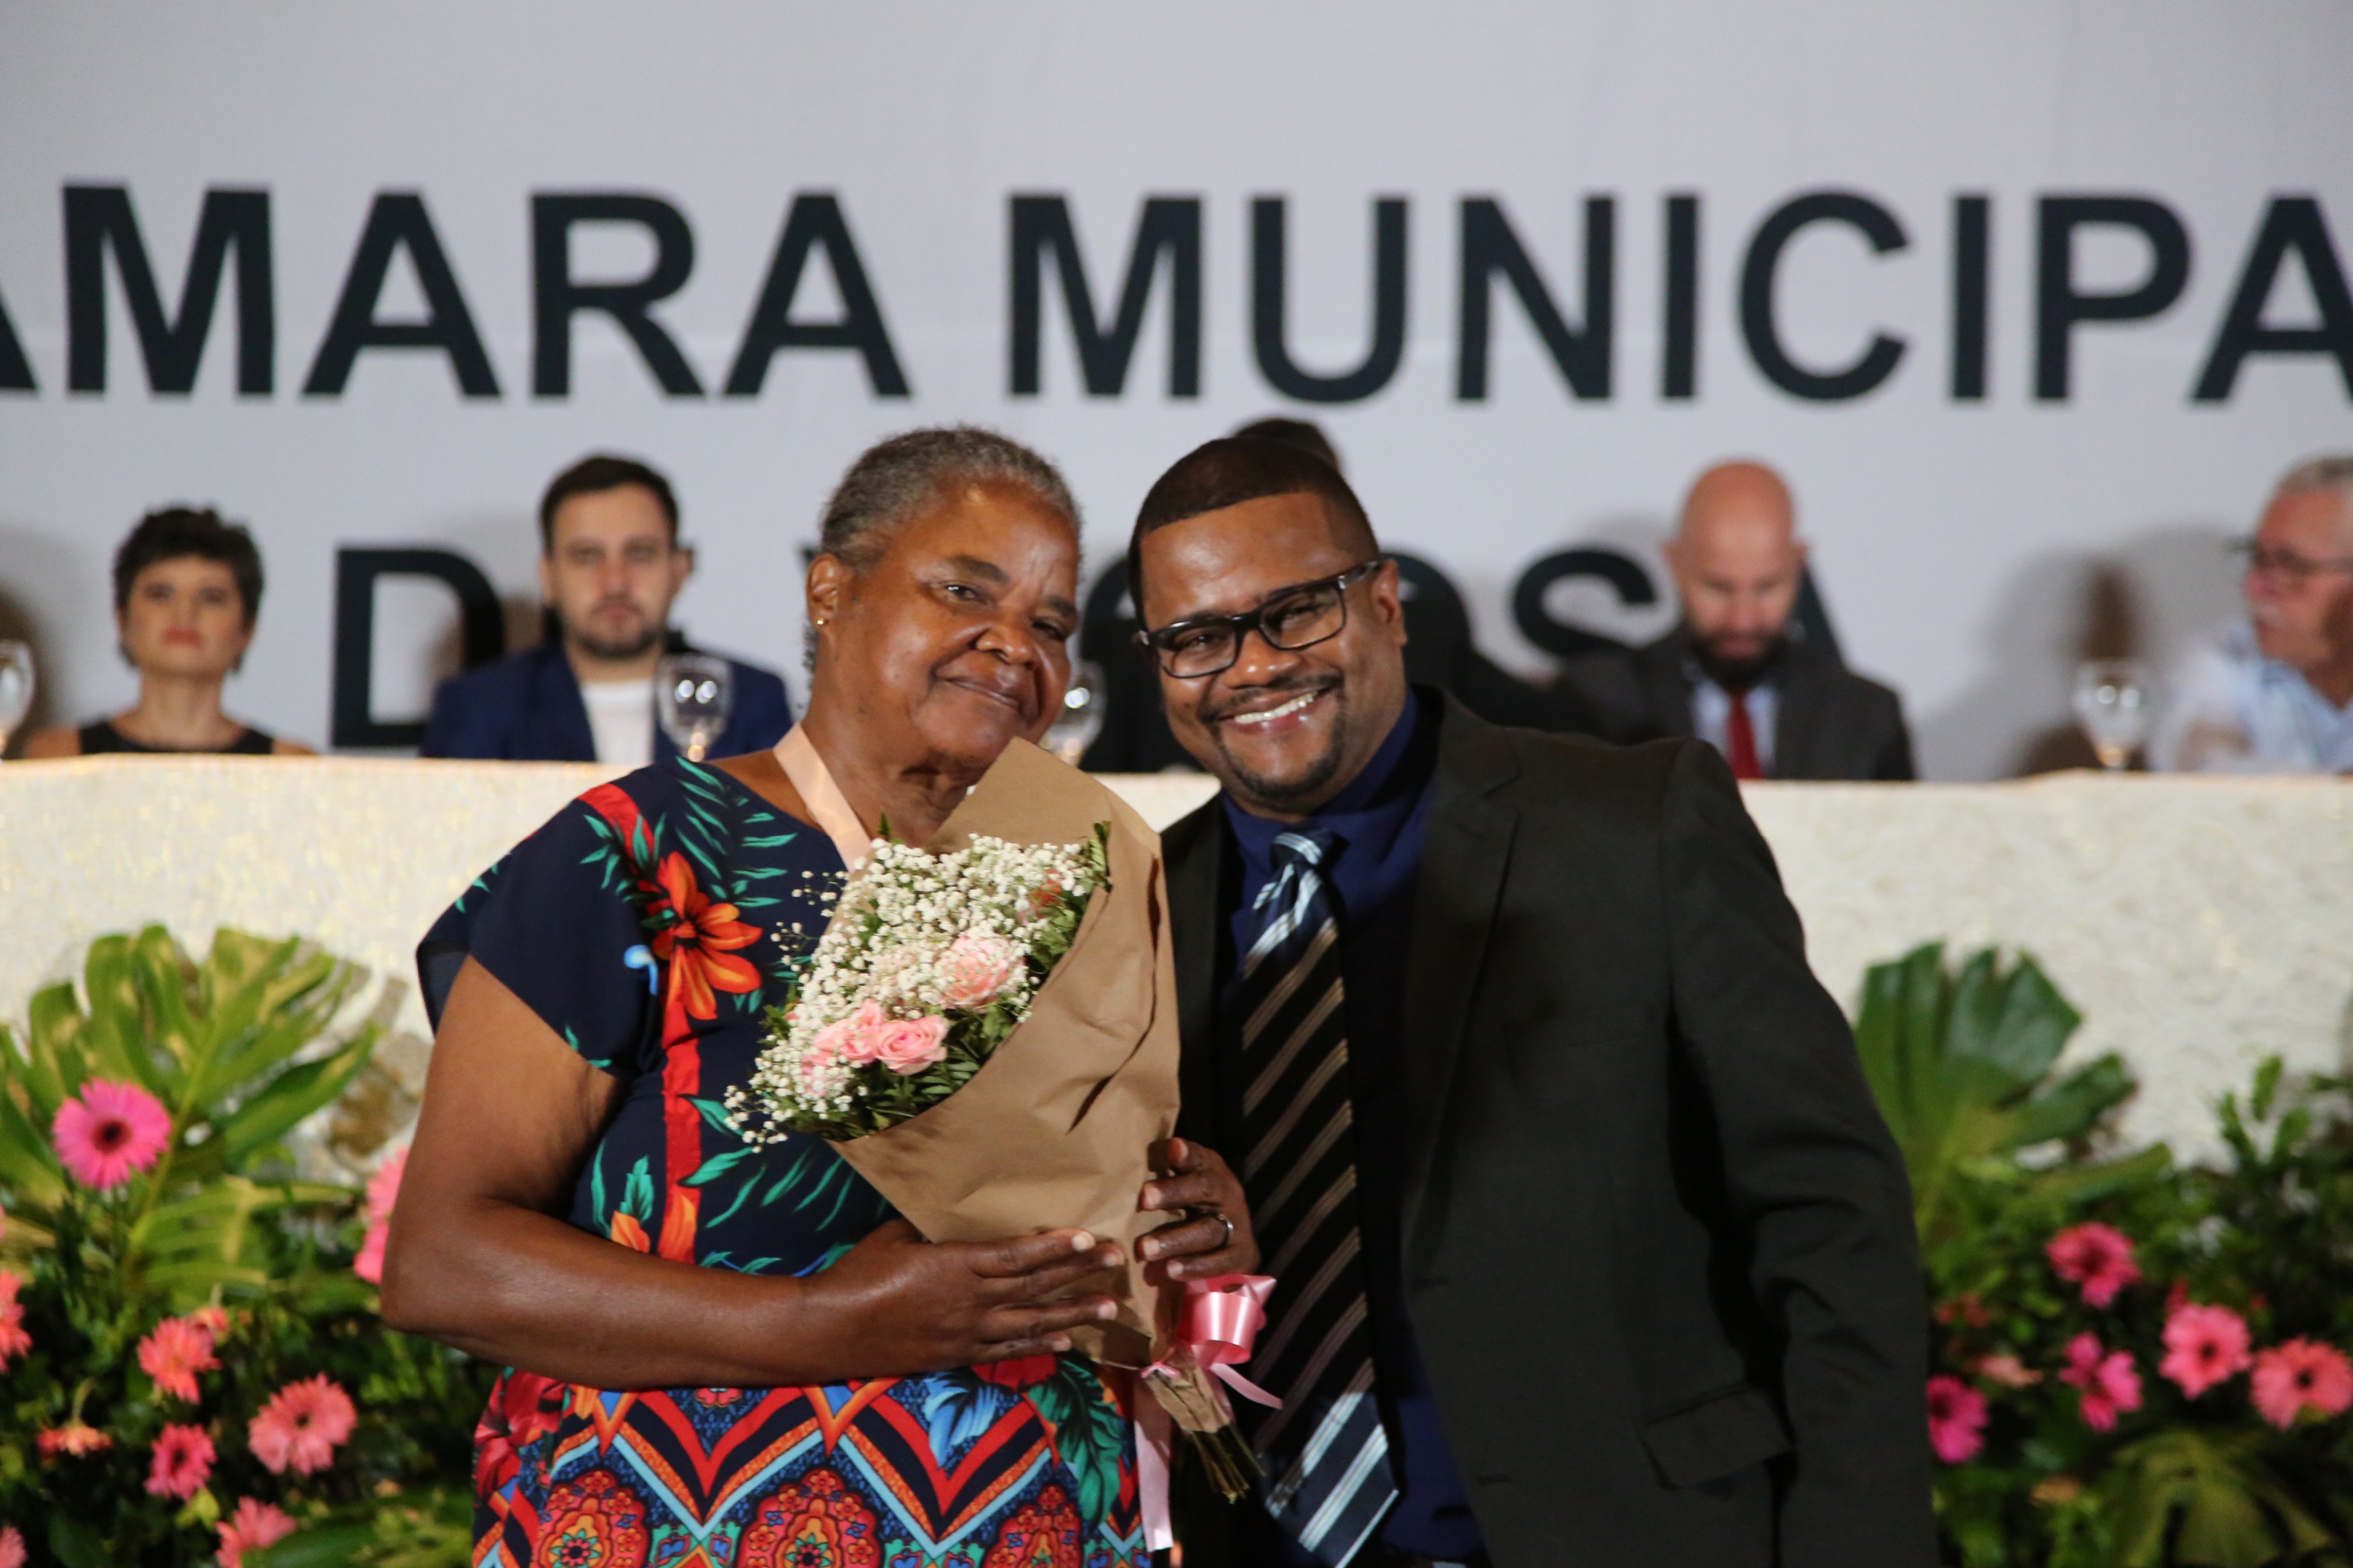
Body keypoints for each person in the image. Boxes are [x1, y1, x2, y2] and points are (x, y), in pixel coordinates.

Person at [382, 428, 1258, 1568]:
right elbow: (444, 1263)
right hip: (678, 1527)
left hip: (1036, 1524)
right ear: (832, 590)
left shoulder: (1080, 884)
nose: (1015, 645)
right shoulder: (643, 852)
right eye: (964, 591)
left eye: (1050, 623)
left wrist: (1187, 1237)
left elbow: (1082, 1238)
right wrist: (823, 1328)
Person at [1132, 436, 1931, 1567]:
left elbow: (1829, 1216)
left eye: (1296, 611)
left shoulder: (1636, 823)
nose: (1252, 666)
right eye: (1196, 637)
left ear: (1388, 602)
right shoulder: (1141, 905)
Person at [421, 454, 794, 764]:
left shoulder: (749, 699)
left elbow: (785, 848)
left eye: (640, 554)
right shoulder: (481, 707)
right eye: (587, 557)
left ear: (679, 569)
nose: (615, 582)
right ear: (548, 578)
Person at [1558, 460, 1915, 780]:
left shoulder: (1866, 714)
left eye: (1767, 587)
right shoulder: (1597, 702)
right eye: (1718, 587)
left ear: (1799, 564)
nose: (1743, 620)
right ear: (1674, 564)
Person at [26, 507, 312, 758]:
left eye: (211, 597)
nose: (185, 614)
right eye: (161, 594)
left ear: (247, 627)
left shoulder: (291, 767)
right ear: (122, 618)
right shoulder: (60, 757)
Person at [2151, 455, 2353, 774]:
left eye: (2291, 566)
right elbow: (2205, 773)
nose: (2253, 585)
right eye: (2258, 558)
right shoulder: (2223, 654)